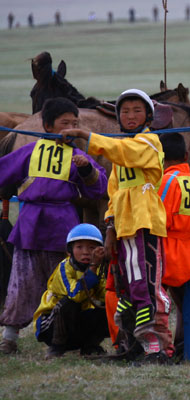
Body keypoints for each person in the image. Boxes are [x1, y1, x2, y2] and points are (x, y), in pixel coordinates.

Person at [59, 89, 171, 363]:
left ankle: (159, 349)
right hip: (123, 228)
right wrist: (109, 232)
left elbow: (124, 150)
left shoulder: (149, 142)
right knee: (126, 289)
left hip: (144, 225)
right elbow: (113, 195)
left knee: (147, 287)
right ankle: (132, 345)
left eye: (137, 110)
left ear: (148, 117)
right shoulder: (119, 157)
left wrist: (88, 137)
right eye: (125, 111)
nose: (130, 116)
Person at [0, 98, 107, 355]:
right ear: (47, 125)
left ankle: (67, 338)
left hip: (63, 226)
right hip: (30, 226)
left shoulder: (79, 157)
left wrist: (86, 171)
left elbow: (99, 187)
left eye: (75, 123)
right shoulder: (28, 152)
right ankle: (9, 338)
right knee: (21, 282)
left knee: (68, 281)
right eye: (64, 123)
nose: (71, 128)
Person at [158, 132, 190, 357]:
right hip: (189, 253)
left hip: (166, 250)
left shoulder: (166, 181)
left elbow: (160, 219)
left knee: (159, 303)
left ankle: (161, 347)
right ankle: (182, 344)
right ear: (186, 155)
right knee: (182, 303)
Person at [33, 224, 109, 359]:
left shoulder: (99, 268)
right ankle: (57, 347)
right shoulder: (65, 267)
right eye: (79, 247)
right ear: (70, 250)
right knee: (68, 303)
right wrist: (92, 268)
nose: (85, 252)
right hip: (51, 326)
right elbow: (76, 295)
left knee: (108, 305)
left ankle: (90, 346)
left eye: (91, 247)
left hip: (77, 326)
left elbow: (104, 295)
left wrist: (106, 267)